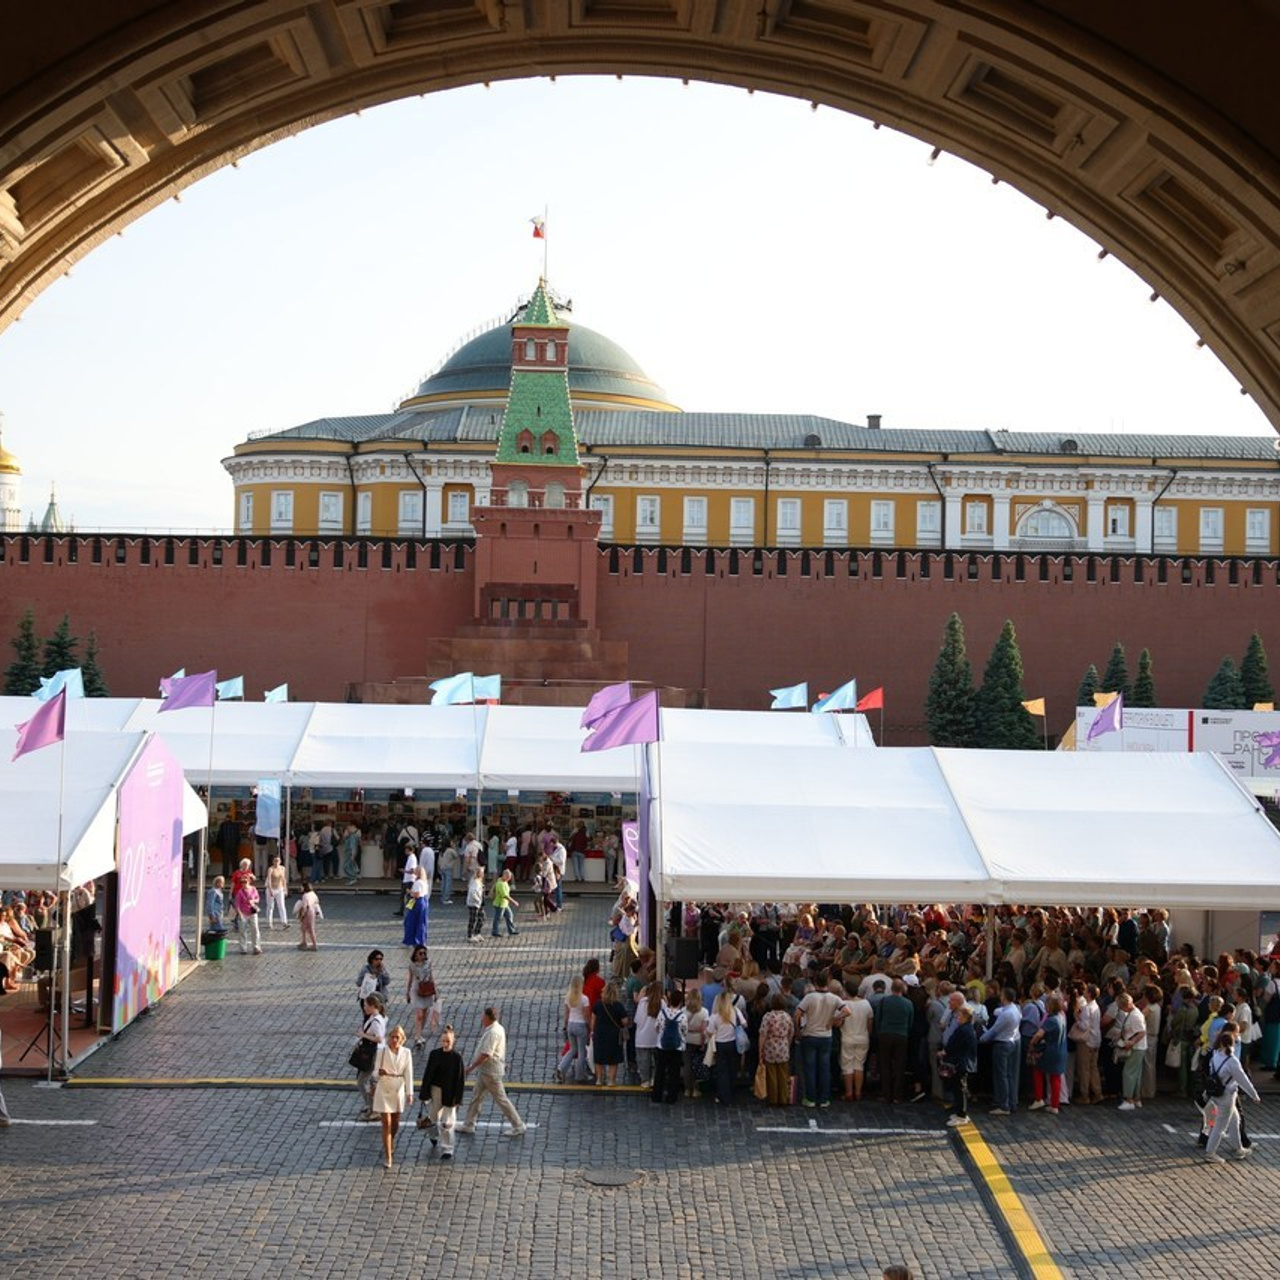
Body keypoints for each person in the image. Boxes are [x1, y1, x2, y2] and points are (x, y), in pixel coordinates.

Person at [457, 1007, 526, 1137]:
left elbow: (486, 1054)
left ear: (488, 1018)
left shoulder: (492, 1033)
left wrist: (471, 1067)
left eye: (483, 1016)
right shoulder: (497, 1028)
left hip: (490, 1072)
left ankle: (518, 1125)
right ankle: (469, 1124)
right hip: (486, 1071)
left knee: (501, 1099)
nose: (481, 1018)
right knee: (476, 1097)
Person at [1203, 1025, 1261, 1162]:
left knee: (1235, 1120)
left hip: (1216, 1094)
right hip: (1227, 1096)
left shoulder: (1216, 1055)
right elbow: (1243, 1080)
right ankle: (1210, 1153)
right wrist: (1254, 1095)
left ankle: (1239, 1148)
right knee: (1220, 1126)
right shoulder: (1232, 1061)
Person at [794, 970, 847, 1108]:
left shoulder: (810, 997)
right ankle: (823, 1098)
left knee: (810, 1068)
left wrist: (797, 1030)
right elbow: (847, 1011)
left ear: (815, 982)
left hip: (810, 1034)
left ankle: (810, 1098)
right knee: (824, 1068)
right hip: (826, 1036)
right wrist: (835, 1019)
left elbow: (797, 1014)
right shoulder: (834, 998)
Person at [420, 1024, 465, 1161]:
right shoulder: (434, 1054)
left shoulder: (457, 1058)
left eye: (448, 1041)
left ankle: (447, 1148)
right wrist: (424, 1093)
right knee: (432, 1118)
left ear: (453, 1041)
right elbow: (428, 1074)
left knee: (447, 1123)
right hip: (436, 1090)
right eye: (443, 1041)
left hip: (450, 1093)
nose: (445, 1044)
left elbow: (460, 1080)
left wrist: (458, 1099)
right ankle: (433, 1136)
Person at [372, 1024, 414, 1168]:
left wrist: (410, 1093)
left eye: (397, 1037)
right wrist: (379, 1073)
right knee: (387, 1123)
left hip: (398, 1089)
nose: (394, 1040)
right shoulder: (382, 1052)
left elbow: (409, 1073)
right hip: (384, 1088)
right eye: (392, 1037)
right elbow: (374, 1073)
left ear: (402, 1039)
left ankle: (390, 1140)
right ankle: (388, 1155)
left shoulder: (406, 1053)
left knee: (395, 1123)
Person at [980, 987, 1021, 1115]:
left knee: (1001, 1075)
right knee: (1010, 1074)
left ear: (1004, 997)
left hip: (1003, 1044)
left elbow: (995, 1030)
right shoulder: (1015, 1009)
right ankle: (1011, 1102)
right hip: (1014, 1041)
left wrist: (982, 1038)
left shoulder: (1007, 1014)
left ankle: (1003, 1105)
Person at [1027, 992, 1068, 1114]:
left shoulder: (1051, 1020)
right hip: (1061, 1050)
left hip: (1049, 1051)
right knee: (1056, 1078)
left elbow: (1039, 1034)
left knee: (1038, 1071)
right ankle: (1055, 1105)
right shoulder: (1061, 1017)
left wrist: (1032, 1043)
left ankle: (1039, 1098)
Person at [707, 989, 746, 1105]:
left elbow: (709, 1031)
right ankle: (732, 1093)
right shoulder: (735, 1010)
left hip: (720, 1044)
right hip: (732, 1043)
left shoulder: (715, 1016)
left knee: (722, 1071)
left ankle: (724, 1096)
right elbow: (744, 1023)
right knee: (732, 1069)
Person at [941, 1004, 977, 1127]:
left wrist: (944, 1052)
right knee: (959, 1087)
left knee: (960, 1088)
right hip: (962, 1061)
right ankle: (959, 1113)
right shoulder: (968, 1028)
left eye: (960, 1015)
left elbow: (953, 1045)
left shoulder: (963, 1030)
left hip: (960, 1063)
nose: (958, 1017)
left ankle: (962, 1115)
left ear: (966, 1016)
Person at [354, 994, 387, 1121]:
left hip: (373, 1054)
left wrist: (363, 1035)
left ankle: (374, 1108)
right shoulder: (376, 1017)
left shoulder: (376, 1021)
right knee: (368, 1081)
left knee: (362, 1081)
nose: (364, 1007)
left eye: (366, 1005)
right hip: (373, 1052)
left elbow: (379, 1038)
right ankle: (372, 1106)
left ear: (373, 1006)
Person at [759, 993, 796, 1106]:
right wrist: (787, 1043)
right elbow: (791, 1032)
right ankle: (783, 1098)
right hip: (783, 1046)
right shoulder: (787, 1016)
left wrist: (760, 1050)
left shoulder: (768, 1016)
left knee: (771, 1074)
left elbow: (763, 1034)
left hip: (770, 1046)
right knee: (783, 1074)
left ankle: (773, 1099)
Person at [591, 980, 629, 1086]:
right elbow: (624, 1021)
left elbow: (593, 1020)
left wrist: (593, 1032)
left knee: (599, 1057)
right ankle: (611, 1080)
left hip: (600, 1034)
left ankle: (599, 1079)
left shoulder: (598, 1004)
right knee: (613, 1058)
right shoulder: (618, 1006)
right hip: (614, 1035)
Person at [556, 974, 593, 1084]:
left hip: (571, 1025)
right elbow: (586, 1016)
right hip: (580, 1025)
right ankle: (580, 1075)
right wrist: (590, 1027)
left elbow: (566, 1014)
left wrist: (566, 1026)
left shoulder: (568, 997)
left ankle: (561, 1068)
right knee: (582, 1052)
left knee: (572, 1049)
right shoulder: (584, 999)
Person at [1114, 992, 1148, 1111]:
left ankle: (1129, 1100)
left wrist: (1131, 1042)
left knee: (1128, 1073)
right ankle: (1136, 1098)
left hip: (1136, 1048)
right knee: (1136, 1074)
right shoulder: (1133, 1013)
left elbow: (1142, 1032)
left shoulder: (1135, 1015)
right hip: (1138, 1047)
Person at [652, 987, 685, 1103]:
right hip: (677, 1047)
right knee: (674, 1072)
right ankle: (671, 1097)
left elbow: (656, 1027)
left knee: (660, 1071)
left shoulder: (662, 1012)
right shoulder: (682, 1015)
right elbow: (685, 1030)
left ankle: (656, 1095)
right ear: (680, 1002)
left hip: (662, 1045)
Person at [406, 945, 439, 1051]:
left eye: (424, 953)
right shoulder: (412, 965)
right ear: (416, 954)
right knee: (419, 1014)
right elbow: (410, 979)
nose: (423, 955)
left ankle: (420, 1033)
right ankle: (417, 1036)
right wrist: (407, 992)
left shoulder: (428, 963)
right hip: (417, 989)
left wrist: (435, 991)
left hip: (427, 989)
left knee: (425, 1012)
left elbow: (431, 977)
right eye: (420, 953)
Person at [233, 871, 262, 956]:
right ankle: (243, 948)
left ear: (249, 881)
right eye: (241, 882)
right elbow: (237, 904)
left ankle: (256, 947)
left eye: (245, 882)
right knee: (242, 931)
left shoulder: (253, 889)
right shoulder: (240, 892)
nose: (243, 884)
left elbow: (258, 898)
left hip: (252, 912)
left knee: (255, 930)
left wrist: (253, 901)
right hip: (243, 913)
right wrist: (240, 914)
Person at [293, 878, 322, 949]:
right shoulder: (313, 894)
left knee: (309, 928)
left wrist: (301, 915)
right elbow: (317, 902)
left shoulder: (305, 895)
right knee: (304, 927)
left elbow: (304, 907)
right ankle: (304, 942)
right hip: (312, 910)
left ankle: (314, 945)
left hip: (308, 911)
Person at [403, 876, 430, 948]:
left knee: (411, 922)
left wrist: (409, 891)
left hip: (416, 901)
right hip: (422, 901)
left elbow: (417, 895)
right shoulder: (424, 882)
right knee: (421, 922)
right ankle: (421, 940)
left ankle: (413, 940)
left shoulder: (418, 883)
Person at [491, 869, 518, 938]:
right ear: (504, 875)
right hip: (500, 904)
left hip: (505, 904)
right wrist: (514, 902)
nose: (509, 879)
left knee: (509, 916)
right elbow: (505, 895)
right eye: (508, 877)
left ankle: (511, 930)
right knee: (498, 918)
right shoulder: (500, 884)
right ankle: (495, 931)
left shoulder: (504, 881)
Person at [264, 855, 289, 930]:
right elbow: (269, 880)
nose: (276, 862)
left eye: (278, 860)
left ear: (280, 861)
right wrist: (270, 890)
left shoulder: (282, 868)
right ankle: (269, 922)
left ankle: (284, 922)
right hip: (271, 889)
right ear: (273, 861)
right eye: (275, 860)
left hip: (280, 888)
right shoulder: (270, 869)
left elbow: (284, 879)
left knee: (281, 905)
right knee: (270, 906)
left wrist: (285, 889)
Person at [465, 866, 486, 942]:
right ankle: (470, 935)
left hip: (478, 904)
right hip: (474, 904)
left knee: (482, 918)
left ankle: (477, 933)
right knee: (473, 919)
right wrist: (478, 900)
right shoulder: (475, 882)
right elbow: (473, 892)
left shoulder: (479, 881)